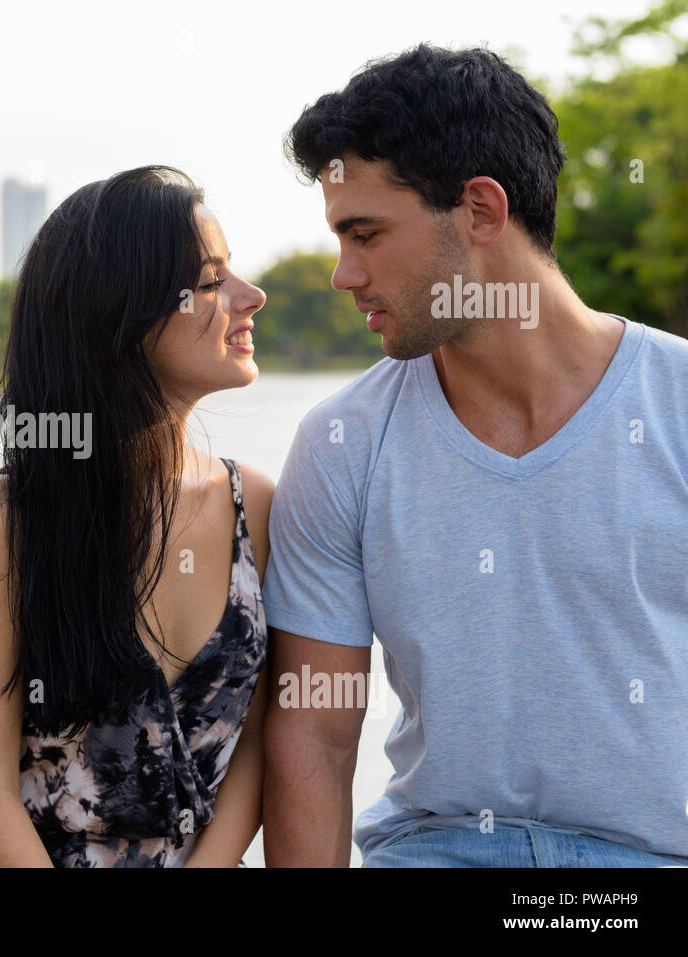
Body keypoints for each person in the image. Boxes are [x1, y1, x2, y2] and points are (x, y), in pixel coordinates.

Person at [261, 44, 688, 867]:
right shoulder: (342, 441)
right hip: (436, 851)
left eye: (366, 233)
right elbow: (316, 729)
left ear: (482, 212)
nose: (344, 274)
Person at [0, 166, 274, 866]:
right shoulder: (4, 523)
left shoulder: (257, 508)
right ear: (121, 318)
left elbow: (257, 750)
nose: (251, 296)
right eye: (211, 282)